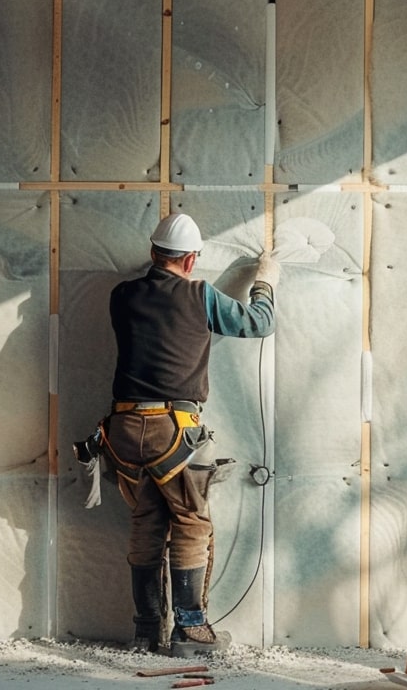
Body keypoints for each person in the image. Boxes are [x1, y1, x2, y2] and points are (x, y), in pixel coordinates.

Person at [102, 212, 279, 656]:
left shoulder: (121, 296)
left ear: (153, 253)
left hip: (122, 431)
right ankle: (190, 629)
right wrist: (265, 282)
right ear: (192, 260)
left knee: (145, 522)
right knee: (191, 521)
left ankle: (146, 630)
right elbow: (259, 322)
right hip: (172, 431)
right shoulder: (200, 295)